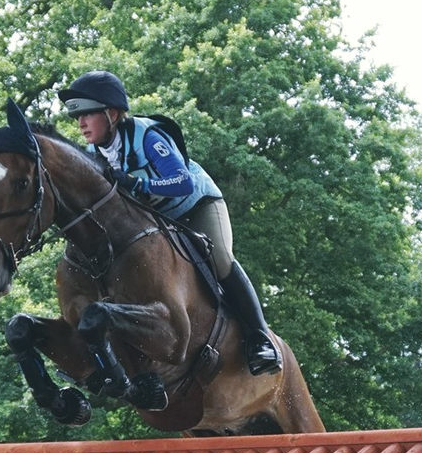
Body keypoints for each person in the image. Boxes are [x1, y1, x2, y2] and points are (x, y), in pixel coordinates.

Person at [58, 70, 282, 376]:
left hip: (195, 205)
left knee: (219, 259)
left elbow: (181, 182)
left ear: (111, 114)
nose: (80, 123)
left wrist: (138, 185)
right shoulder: (92, 156)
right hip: (155, 219)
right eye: (78, 117)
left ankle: (260, 339)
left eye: (87, 115)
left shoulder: (147, 136)